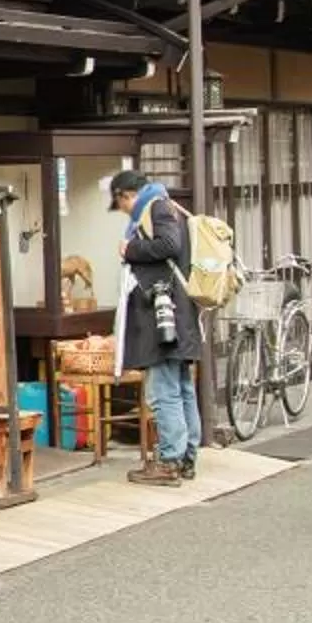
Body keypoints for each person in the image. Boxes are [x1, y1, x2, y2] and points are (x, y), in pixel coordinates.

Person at [109, 170, 203, 485]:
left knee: (165, 390)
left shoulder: (156, 207)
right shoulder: (167, 206)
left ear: (126, 195)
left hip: (165, 314)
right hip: (179, 312)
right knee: (181, 388)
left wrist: (130, 250)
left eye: (121, 203)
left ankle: (170, 461)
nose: (123, 210)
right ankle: (186, 458)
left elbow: (169, 245)